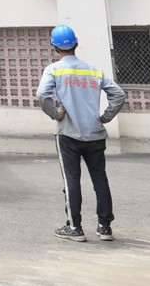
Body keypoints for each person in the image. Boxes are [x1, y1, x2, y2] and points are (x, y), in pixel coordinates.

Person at [36, 24, 126, 243]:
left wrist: (56, 114)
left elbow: (42, 95)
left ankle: (75, 227)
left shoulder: (54, 70)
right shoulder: (93, 70)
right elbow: (118, 95)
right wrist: (105, 117)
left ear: (55, 47)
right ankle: (105, 227)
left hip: (68, 134)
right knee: (100, 180)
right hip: (95, 134)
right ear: (76, 44)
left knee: (71, 180)